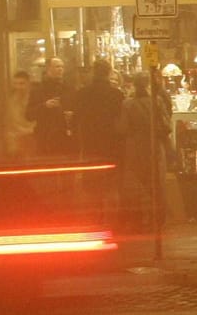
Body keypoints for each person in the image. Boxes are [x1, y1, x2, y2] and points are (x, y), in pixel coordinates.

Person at [118, 71, 171, 233]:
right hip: (154, 146)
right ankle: (158, 218)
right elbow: (166, 125)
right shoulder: (157, 101)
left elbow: (123, 127)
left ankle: (139, 219)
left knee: (137, 186)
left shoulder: (127, 104)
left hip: (135, 149)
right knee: (156, 184)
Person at [73, 59, 125, 167]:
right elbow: (121, 118)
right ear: (109, 73)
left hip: (89, 137)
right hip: (111, 138)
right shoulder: (117, 94)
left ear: (93, 73)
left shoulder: (82, 93)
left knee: (91, 169)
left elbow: (76, 117)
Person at [27, 57, 74, 157]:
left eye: (62, 67)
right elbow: (29, 115)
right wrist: (45, 106)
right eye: (57, 67)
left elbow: (76, 108)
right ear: (48, 69)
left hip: (64, 137)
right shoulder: (38, 90)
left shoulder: (68, 89)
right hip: (45, 137)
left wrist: (72, 115)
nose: (60, 69)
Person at [3, 70, 37, 157]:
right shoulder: (11, 99)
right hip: (15, 142)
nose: (18, 87)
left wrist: (27, 131)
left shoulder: (36, 97)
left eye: (22, 83)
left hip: (33, 140)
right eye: (15, 83)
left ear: (29, 83)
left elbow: (41, 121)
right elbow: (9, 120)